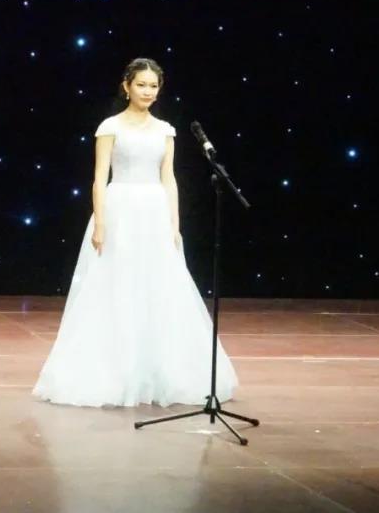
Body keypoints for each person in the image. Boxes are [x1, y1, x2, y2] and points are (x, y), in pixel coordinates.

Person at [32, 57, 238, 408]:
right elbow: (99, 177)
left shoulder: (165, 130)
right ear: (126, 86)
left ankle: (157, 374)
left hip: (154, 211)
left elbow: (169, 178)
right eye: (141, 84)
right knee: (116, 287)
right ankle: (114, 372)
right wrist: (100, 222)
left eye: (153, 86)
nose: (147, 91)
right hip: (120, 209)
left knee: (158, 289)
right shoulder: (110, 126)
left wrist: (174, 225)